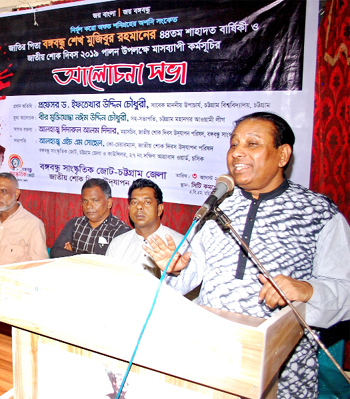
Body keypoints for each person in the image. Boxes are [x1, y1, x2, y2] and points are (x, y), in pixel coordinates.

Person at [144, 112, 350, 398]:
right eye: (234, 144)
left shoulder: (319, 214)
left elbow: (345, 291)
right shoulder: (218, 206)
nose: (237, 153)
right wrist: (178, 268)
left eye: (252, 144)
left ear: (282, 155)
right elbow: (198, 272)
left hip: (282, 370)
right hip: (212, 361)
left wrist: (306, 289)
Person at [106, 178, 183, 278]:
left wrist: (177, 270)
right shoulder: (118, 244)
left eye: (147, 202)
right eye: (134, 202)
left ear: (159, 209)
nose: (139, 207)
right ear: (128, 209)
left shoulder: (180, 243)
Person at [51, 178, 130, 258]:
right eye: (85, 201)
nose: (88, 206)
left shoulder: (121, 231)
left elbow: (109, 264)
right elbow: (55, 252)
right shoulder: (75, 224)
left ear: (109, 203)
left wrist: (71, 256)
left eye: (95, 201)